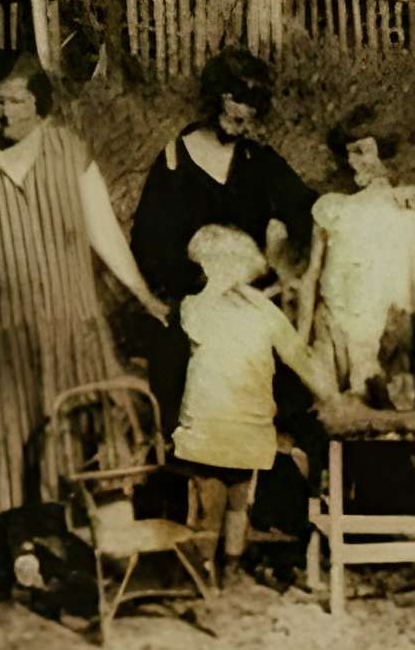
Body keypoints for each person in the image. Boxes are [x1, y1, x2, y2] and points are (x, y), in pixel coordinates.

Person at [0, 50, 170, 556]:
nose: (5, 113)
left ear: (40, 103)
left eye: (17, 100)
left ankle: (90, 539)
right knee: (8, 440)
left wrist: (143, 294)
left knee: (82, 433)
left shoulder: (68, 150)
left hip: (71, 328)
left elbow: (105, 233)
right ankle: (20, 545)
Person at [128, 47, 316, 422]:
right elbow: (148, 246)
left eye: (252, 105)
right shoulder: (173, 164)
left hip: (252, 304)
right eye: (236, 99)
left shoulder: (259, 162)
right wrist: (195, 286)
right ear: (216, 97)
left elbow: (309, 210)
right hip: (192, 306)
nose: (243, 113)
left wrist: (288, 267)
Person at [170, 225, 334, 588]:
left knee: (220, 502)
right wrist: (329, 394)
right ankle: (221, 568)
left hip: (227, 423)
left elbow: (296, 356)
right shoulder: (241, 310)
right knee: (232, 502)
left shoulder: (197, 307)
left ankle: (213, 570)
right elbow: (298, 357)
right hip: (229, 423)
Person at [294, 105, 415, 405]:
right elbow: (311, 278)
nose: (353, 161)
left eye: (362, 151)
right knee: (333, 411)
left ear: (383, 150)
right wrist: (298, 346)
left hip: (384, 329)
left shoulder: (408, 211)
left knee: (385, 409)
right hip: (337, 329)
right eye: (349, 153)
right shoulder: (333, 208)